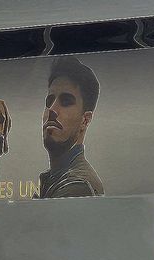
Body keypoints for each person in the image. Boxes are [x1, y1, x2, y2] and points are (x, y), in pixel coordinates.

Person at [39, 56, 104, 199]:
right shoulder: (55, 178)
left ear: (85, 120)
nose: (52, 110)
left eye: (66, 102)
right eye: (49, 101)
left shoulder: (77, 185)